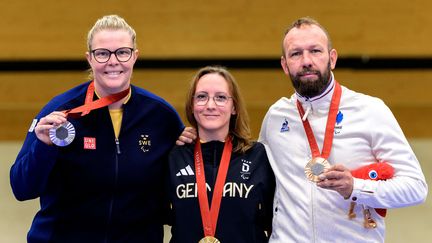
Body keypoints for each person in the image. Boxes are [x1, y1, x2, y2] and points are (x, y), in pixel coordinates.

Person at [10, 15, 191, 242]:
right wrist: (43, 147)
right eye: (102, 53)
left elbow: (180, 188)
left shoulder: (161, 116)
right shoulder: (60, 111)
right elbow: (21, 188)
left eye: (122, 52)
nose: (113, 61)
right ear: (90, 58)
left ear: (135, 56)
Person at [258, 17, 428, 242]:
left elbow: (415, 188)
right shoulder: (276, 116)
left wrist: (356, 187)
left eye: (315, 51)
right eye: (296, 53)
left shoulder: (370, 110)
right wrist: (196, 142)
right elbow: (252, 175)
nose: (306, 60)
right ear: (284, 65)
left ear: (332, 58)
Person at [167, 66, 275, 243]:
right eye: (201, 97)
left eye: (221, 98)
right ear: (192, 105)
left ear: (234, 107)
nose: (210, 105)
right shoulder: (174, 157)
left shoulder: (258, 156)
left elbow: (273, 220)